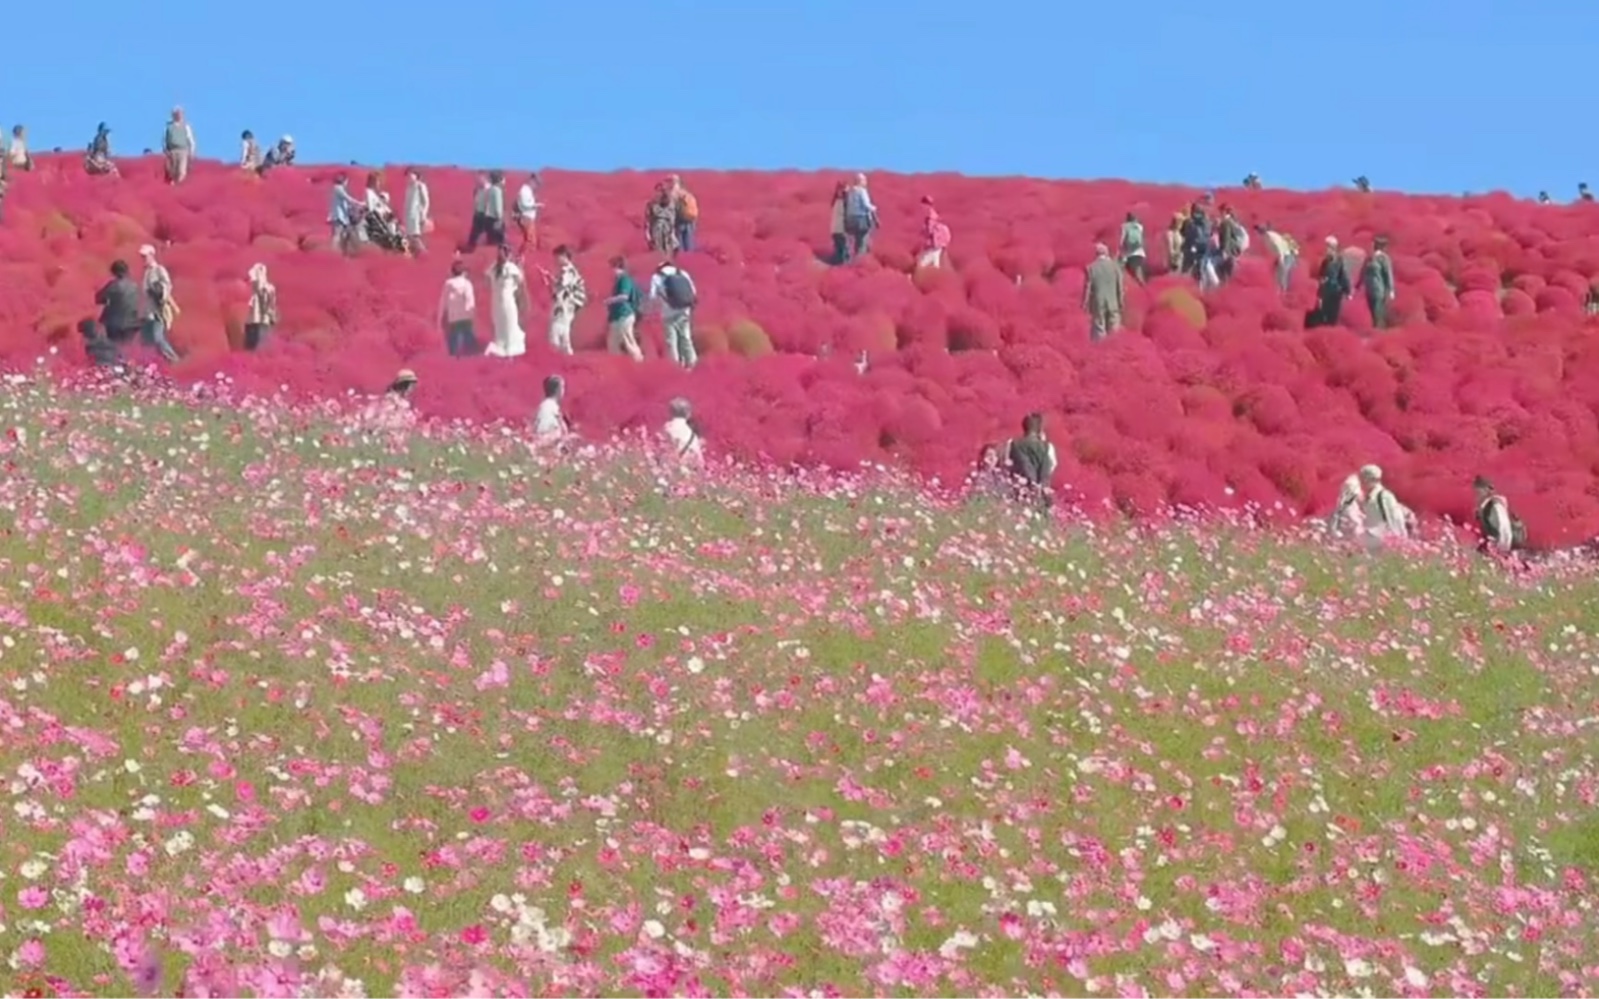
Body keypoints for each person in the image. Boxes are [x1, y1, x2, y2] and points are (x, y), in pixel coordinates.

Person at [650, 258, 699, 369]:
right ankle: (692, 363)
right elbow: (693, 292)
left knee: (671, 341)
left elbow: (652, 297)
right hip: (685, 310)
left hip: (668, 312)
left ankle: (675, 367)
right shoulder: (683, 273)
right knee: (686, 337)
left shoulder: (657, 277)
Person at [540, 245, 586, 356]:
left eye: (557, 257)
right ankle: (567, 361)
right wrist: (548, 278)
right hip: (566, 306)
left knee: (556, 334)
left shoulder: (568, 271)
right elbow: (558, 288)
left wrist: (548, 280)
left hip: (565, 306)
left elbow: (559, 289)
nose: (555, 260)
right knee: (564, 335)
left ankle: (559, 359)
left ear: (565, 256)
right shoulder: (569, 271)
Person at [1004, 413, 1057, 510]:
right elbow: (1051, 466)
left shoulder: (1012, 443)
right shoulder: (1048, 447)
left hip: (1019, 491)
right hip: (1042, 494)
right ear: (1040, 429)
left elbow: (1007, 464)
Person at [137, 245, 180, 362]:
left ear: (151, 255)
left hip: (158, 309)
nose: (143, 258)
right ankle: (156, 365)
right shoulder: (146, 272)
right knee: (146, 340)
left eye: (145, 256)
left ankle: (174, 360)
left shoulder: (159, 269)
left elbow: (167, 285)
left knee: (157, 337)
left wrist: (160, 293)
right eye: (142, 256)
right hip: (149, 310)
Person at [485, 243, 528, 358]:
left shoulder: (502, 267)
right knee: (505, 326)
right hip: (502, 300)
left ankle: (505, 349)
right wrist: (520, 266)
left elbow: (487, 279)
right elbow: (520, 280)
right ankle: (505, 351)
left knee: (505, 326)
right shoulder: (503, 267)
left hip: (501, 300)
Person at [1473, 476, 1526, 557]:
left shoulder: (1493, 506)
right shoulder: (1490, 505)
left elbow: (1503, 529)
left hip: (1503, 547)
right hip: (1503, 545)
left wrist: (1500, 551)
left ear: (1484, 490)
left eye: (1478, 491)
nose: (1477, 495)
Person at [1359, 465, 1415, 540]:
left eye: (1363, 479)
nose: (1361, 482)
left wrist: (1397, 538)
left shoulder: (1385, 496)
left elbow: (1394, 518)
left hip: (1386, 540)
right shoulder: (1369, 497)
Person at [1083, 243, 1125, 342]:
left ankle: (1102, 350)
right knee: (1114, 328)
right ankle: (1115, 348)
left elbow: (1088, 288)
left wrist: (1085, 303)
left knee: (1099, 328)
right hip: (1113, 301)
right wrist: (1121, 301)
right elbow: (1120, 286)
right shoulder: (1115, 266)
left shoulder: (1091, 268)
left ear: (1096, 254)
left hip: (1098, 302)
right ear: (1107, 253)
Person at [604, 256, 644, 361]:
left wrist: (610, 300)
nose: (610, 271)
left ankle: (639, 361)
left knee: (628, 340)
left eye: (611, 267)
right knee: (612, 343)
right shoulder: (619, 280)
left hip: (624, 314)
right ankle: (619, 364)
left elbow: (624, 296)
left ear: (617, 267)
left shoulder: (624, 279)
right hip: (617, 316)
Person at [94, 260, 142, 345]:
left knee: (114, 346)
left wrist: (106, 300)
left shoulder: (113, 285)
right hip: (132, 322)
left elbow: (99, 299)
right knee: (127, 347)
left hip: (115, 324)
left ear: (114, 272)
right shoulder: (135, 286)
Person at [437, 258, 478, 357]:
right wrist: (472, 317)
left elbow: (443, 302)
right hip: (466, 318)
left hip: (454, 318)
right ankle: (470, 361)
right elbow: (470, 301)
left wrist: (439, 319)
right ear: (463, 272)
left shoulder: (448, 283)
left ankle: (454, 361)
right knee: (469, 345)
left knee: (453, 344)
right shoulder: (467, 283)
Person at [1307, 237, 1351, 328]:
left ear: (1333, 248)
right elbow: (1321, 277)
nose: (1326, 249)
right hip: (1326, 292)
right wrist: (1320, 291)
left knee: (1332, 317)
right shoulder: (1325, 261)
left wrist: (1348, 291)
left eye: (1328, 247)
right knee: (1325, 316)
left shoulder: (1338, 261)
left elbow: (1343, 276)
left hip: (1335, 292)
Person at [361, 172, 406, 253]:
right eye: (378, 181)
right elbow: (371, 208)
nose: (379, 184)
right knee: (391, 226)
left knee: (394, 225)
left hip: (381, 216)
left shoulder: (372, 193)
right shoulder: (368, 192)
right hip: (377, 217)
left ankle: (397, 238)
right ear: (373, 182)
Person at [1358, 236, 1397, 329]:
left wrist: (1391, 289)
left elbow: (1388, 273)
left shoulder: (1383, 258)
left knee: (1377, 312)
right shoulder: (1369, 258)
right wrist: (1358, 285)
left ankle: (1379, 331)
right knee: (1372, 312)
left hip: (1379, 290)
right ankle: (1376, 329)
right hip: (1369, 290)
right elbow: (1363, 272)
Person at [465, 172, 506, 250]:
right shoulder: (495, 190)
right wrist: (499, 218)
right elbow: (497, 206)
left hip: (485, 215)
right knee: (496, 238)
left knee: (487, 236)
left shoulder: (489, 189)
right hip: (488, 216)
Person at [841, 173, 878, 260]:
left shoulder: (850, 191)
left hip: (851, 220)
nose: (866, 182)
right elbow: (866, 205)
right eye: (864, 180)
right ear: (859, 181)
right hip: (861, 220)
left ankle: (854, 258)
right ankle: (860, 260)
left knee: (857, 240)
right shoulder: (862, 191)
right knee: (863, 241)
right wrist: (874, 208)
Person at [662, 397, 704, 467]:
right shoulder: (692, 435)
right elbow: (700, 462)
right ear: (688, 414)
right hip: (683, 472)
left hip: (665, 470)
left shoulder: (665, 429)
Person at [1258, 223, 1298, 294]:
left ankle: (1281, 293)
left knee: (1282, 274)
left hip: (1286, 255)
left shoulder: (1268, 236)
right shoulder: (1270, 235)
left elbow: (1278, 247)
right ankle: (1281, 292)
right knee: (1282, 274)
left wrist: (1281, 259)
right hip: (1287, 255)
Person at [244, 263, 277, 351]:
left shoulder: (267, 288)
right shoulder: (251, 287)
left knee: (258, 346)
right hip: (253, 321)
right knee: (252, 346)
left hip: (260, 321)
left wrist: (272, 316)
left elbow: (269, 304)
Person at [328, 174, 361, 255]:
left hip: (343, 218)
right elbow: (348, 198)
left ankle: (344, 252)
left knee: (346, 235)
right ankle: (332, 253)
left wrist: (354, 208)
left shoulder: (340, 189)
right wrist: (360, 203)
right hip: (338, 216)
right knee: (337, 235)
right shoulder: (338, 188)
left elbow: (346, 204)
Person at [1326, 471, 1366, 537]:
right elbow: (1358, 496)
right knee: (1355, 521)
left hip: (1346, 502)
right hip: (1347, 503)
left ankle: (1336, 532)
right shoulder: (1353, 482)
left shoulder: (1353, 480)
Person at [163, 108, 197, 184]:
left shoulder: (186, 126)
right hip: (172, 151)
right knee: (172, 171)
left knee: (182, 171)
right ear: (173, 115)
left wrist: (192, 151)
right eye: (177, 114)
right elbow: (164, 139)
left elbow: (190, 139)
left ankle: (180, 187)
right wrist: (165, 150)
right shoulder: (169, 127)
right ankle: (173, 185)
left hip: (183, 151)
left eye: (180, 114)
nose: (179, 115)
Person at [532, 375, 570, 443]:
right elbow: (543, 433)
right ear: (558, 390)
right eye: (563, 387)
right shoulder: (549, 408)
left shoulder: (547, 406)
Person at [917, 196, 951, 269]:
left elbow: (930, 231)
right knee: (935, 261)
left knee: (923, 263)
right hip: (939, 242)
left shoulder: (930, 216)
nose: (921, 207)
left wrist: (923, 236)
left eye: (923, 205)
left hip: (936, 242)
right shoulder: (933, 214)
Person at [404, 167, 432, 255]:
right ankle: (416, 255)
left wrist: (423, 214)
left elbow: (426, 201)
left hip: (417, 215)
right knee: (410, 238)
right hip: (409, 216)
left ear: (416, 175)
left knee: (415, 237)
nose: (409, 176)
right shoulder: (409, 188)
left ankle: (424, 254)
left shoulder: (420, 186)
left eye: (411, 174)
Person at [645, 186, 678, 256]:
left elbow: (649, 217)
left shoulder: (653, 204)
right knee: (663, 247)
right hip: (663, 228)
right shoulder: (670, 203)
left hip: (661, 228)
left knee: (661, 247)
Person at [670, 176, 699, 253]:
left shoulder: (676, 193)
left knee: (680, 242)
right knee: (689, 241)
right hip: (691, 219)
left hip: (681, 220)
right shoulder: (689, 195)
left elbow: (673, 207)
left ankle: (684, 259)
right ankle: (690, 257)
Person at [513, 172, 541, 252]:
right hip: (526, 218)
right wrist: (536, 206)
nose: (536, 186)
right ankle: (523, 257)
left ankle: (522, 257)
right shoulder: (525, 191)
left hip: (528, 218)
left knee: (530, 240)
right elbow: (524, 205)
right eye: (536, 183)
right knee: (530, 241)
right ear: (532, 181)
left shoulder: (528, 191)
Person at [1119, 212, 1146, 285]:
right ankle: (1143, 288)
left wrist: (1120, 250)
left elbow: (1122, 239)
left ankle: (1144, 290)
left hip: (1129, 253)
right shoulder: (1139, 226)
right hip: (1140, 252)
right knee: (1138, 273)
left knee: (1129, 275)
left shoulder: (1124, 226)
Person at [828, 181, 850, 265]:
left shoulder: (835, 201)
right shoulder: (844, 201)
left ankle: (836, 265)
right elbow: (846, 215)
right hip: (841, 229)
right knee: (844, 251)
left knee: (838, 250)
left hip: (834, 230)